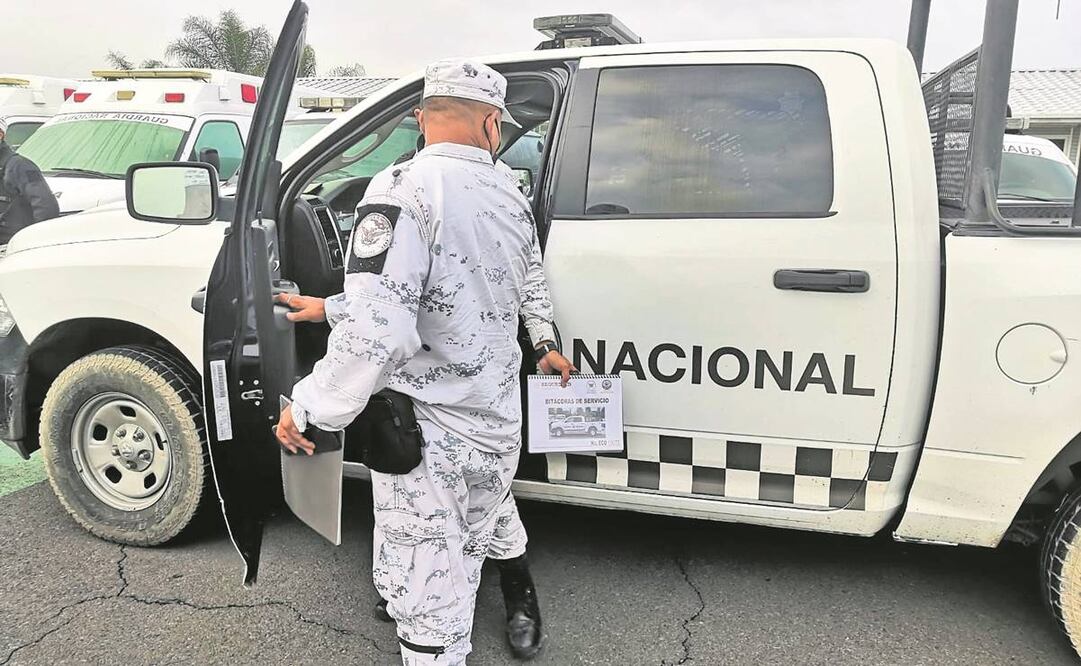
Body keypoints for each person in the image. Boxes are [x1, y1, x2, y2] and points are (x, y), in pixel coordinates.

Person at [274, 59, 575, 665]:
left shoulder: (400, 188)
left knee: (431, 602)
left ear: (421, 116)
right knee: (482, 518)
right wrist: (543, 342)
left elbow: (380, 325)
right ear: (492, 123)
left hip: (429, 428)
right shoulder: (509, 193)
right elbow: (500, 286)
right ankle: (510, 597)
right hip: (495, 418)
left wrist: (309, 408)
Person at [0, 117, 60, 248]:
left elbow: (47, 208)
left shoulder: (20, 166)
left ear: (1, 134)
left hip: (13, 248)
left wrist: (33, 244)